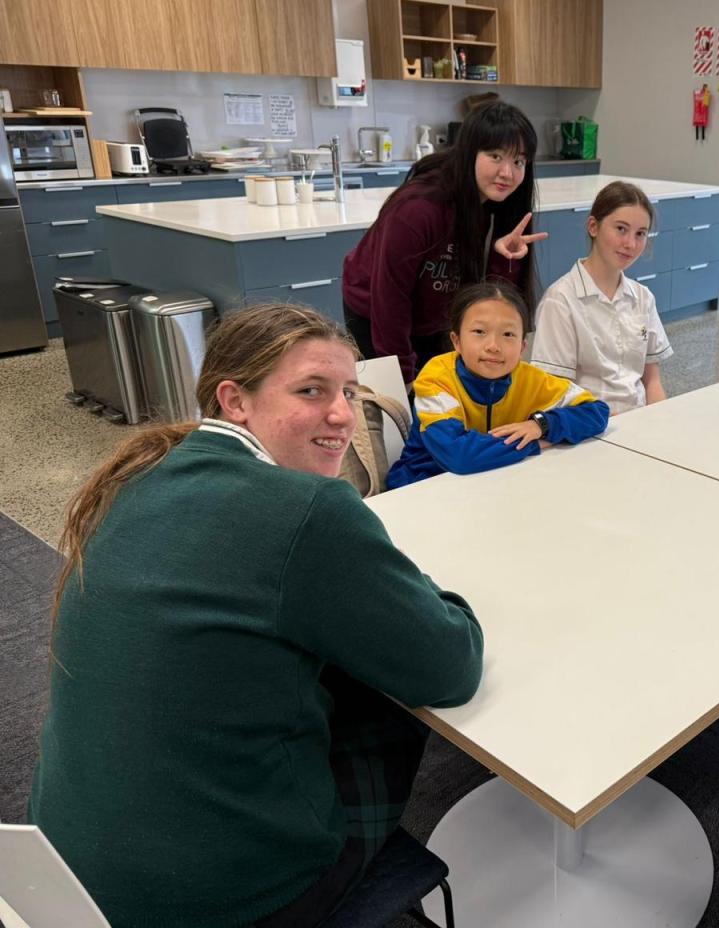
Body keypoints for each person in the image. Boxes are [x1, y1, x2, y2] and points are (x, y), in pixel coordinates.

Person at [28, 304, 485, 928]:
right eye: (311, 391)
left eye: (349, 392)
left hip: (65, 868)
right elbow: (451, 663)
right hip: (220, 900)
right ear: (234, 401)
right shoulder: (308, 508)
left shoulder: (139, 474)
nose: (343, 415)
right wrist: (425, 589)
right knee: (386, 701)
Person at [341, 100, 547, 384]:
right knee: (392, 398)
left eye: (518, 161)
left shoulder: (499, 206)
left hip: (435, 313)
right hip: (375, 310)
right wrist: (402, 378)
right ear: (470, 152)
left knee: (441, 389)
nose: (508, 173)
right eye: (495, 156)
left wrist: (504, 259)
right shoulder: (418, 209)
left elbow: (492, 301)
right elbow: (390, 301)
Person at [387, 280, 609, 487]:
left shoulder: (530, 378)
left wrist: (540, 426)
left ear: (522, 347)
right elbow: (459, 455)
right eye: (479, 332)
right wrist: (535, 443)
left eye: (508, 334)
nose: (493, 346)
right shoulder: (436, 379)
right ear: (457, 341)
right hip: (422, 487)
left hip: (495, 483)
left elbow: (597, 412)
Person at [530, 180, 673, 414]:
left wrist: (660, 420)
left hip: (639, 420)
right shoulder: (561, 300)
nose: (630, 243)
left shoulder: (643, 298)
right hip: (590, 424)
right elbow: (555, 392)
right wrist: (614, 423)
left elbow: (652, 382)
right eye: (621, 229)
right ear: (593, 227)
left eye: (640, 233)